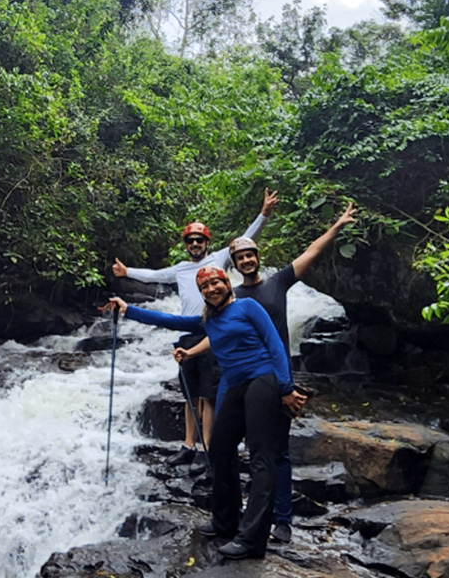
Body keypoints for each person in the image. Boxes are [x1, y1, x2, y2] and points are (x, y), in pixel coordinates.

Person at [175, 202, 357, 544]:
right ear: (233, 266)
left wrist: (338, 225)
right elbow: (217, 334)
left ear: (257, 257)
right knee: (231, 449)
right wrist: (190, 351)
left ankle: (282, 521)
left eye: (250, 255)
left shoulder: (278, 284)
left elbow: (312, 251)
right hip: (238, 379)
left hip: (275, 376)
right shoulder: (230, 298)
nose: (246, 260)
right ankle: (239, 519)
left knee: (276, 451)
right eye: (239, 257)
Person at [108, 266, 307, 560]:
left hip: (264, 380)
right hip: (237, 384)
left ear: (227, 284)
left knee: (261, 457)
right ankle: (226, 521)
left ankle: (253, 539)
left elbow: (275, 343)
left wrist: (286, 387)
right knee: (219, 449)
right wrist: (129, 310)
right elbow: (171, 321)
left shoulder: (247, 306)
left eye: (216, 283)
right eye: (205, 286)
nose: (211, 289)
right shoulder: (208, 320)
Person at [112, 188, 279, 473]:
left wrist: (264, 213)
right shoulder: (179, 269)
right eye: (190, 240)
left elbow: (245, 240)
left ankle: (208, 448)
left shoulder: (218, 260)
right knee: (190, 393)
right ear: (186, 244)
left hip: (214, 329)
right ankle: (188, 446)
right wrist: (127, 272)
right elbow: (154, 276)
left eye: (199, 240)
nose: (195, 244)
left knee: (209, 394)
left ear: (206, 242)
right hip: (188, 331)